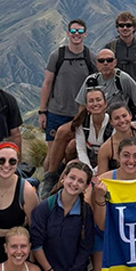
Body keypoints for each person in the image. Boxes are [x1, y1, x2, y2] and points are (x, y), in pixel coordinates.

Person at [39, 19, 97, 174]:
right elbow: (47, 84)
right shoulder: (57, 56)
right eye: (73, 31)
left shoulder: (90, 57)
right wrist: (42, 111)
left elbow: (95, 86)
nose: (76, 35)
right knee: (52, 156)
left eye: (79, 32)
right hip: (56, 112)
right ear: (67, 33)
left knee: (72, 153)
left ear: (85, 34)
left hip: (79, 115)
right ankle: (48, 183)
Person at [92, 136, 136, 271]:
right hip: (106, 237)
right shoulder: (105, 181)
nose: (131, 161)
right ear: (117, 156)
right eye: (126, 155)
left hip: (135, 237)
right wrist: (99, 197)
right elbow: (101, 225)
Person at [31, 160, 94, 271]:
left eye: (81, 181)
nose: (75, 183)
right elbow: (37, 245)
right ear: (63, 178)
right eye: (72, 178)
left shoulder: (86, 212)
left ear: (86, 187)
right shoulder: (45, 208)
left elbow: (85, 249)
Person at [0, 142, 40, 271]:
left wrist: (32, 257)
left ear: (17, 163)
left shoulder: (26, 191)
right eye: (1, 161)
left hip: (15, 248)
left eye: (12, 161)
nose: (6, 165)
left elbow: (35, 226)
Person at [74, 48, 136, 113]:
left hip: (118, 120)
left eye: (109, 60)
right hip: (96, 120)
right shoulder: (90, 81)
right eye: (101, 61)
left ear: (115, 62)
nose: (105, 63)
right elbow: (82, 106)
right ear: (96, 64)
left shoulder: (123, 79)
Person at [96, 103, 136, 175]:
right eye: (117, 118)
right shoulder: (105, 149)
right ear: (111, 122)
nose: (122, 120)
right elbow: (102, 177)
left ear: (130, 115)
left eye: (124, 116)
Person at [104, 11, 136, 84]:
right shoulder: (110, 48)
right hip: (116, 89)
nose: (125, 28)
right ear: (117, 28)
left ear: (134, 27)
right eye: (121, 25)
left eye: (128, 25)